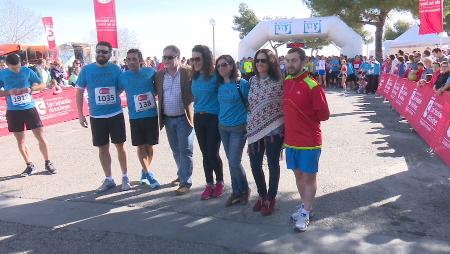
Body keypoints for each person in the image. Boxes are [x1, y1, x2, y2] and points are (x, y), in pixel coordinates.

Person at [283, 48, 330, 232]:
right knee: (298, 176)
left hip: (310, 141)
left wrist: (306, 117)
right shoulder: (286, 81)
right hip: (291, 141)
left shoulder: (313, 85)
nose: (290, 64)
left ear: (303, 62)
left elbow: (324, 115)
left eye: (294, 60)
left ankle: (306, 212)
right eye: (287, 60)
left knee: (309, 178)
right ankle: (305, 207)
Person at [75, 41, 131, 193]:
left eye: (104, 52)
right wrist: (80, 114)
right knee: (102, 148)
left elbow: (121, 88)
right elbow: (79, 91)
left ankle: (125, 176)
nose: (101, 54)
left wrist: (112, 96)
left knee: (120, 146)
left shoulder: (115, 69)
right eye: (98, 51)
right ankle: (109, 179)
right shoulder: (86, 70)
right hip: (96, 116)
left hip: (115, 114)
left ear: (110, 54)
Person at [0, 53, 57, 176]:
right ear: (7, 65)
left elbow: (42, 85)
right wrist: (8, 92)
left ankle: (48, 162)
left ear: (21, 63)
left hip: (29, 108)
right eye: (13, 68)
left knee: (41, 137)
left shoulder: (27, 71)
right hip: (13, 111)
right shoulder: (2, 74)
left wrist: (31, 89)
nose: (17, 70)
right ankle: (30, 165)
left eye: (18, 67)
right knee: (20, 140)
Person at [247, 49, 284, 216]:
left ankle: (271, 197)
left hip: (275, 129)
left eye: (263, 60)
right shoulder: (252, 81)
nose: (259, 63)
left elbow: (284, 106)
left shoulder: (279, 81)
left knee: (272, 164)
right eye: (257, 61)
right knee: (255, 165)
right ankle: (261, 195)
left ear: (270, 62)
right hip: (254, 129)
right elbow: (251, 106)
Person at [155, 45, 194, 195]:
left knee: (186, 151)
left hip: (184, 118)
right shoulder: (158, 75)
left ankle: (186, 182)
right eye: (164, 57)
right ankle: (182, 173)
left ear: (178, 57)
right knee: (176, 150)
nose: (166, 60)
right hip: (168, 119)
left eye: (170, 57)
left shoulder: (188, 72)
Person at [118, 49, 161, 189]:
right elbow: (116, 92)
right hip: (135, 117)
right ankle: (149, 174)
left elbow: (157, 89)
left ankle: (144, 171)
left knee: (150, 146)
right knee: (140, 145)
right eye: (128, 59)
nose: (131, 62)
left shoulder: (150, 72)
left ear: (140, 60)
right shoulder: (123, 77)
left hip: (151, 115)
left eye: (134, 59)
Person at [215, 54, 250, 206]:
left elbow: (251, 104)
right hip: (223, 127)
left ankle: (244, 189)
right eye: (218, 66)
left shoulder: (241, 83)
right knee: (231, 161)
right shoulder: (218, 84)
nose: (221, 68)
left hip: (239, 128)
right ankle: (236, 191)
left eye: (224, 64)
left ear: (231, 66)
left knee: (234, 161)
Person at [190, 45, 224, 200]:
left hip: (213, 118)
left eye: (198, 58)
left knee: (212, 152)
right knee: (205, 153)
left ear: (206, 59)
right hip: (198, 118)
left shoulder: (216, 77)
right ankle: (209, 184)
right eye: (192, 59)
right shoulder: (194, 77)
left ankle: (220, 182)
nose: (195, 62)